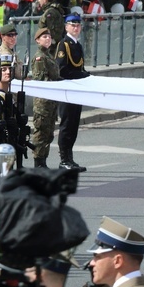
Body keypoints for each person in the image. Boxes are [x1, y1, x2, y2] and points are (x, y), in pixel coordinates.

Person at [55, 14, 90, 172]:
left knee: (74, 125)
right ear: (66, 27)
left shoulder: (77, 45)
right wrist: (82, 76)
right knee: (67, 125)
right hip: (68, 90)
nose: (76, 28)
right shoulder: (64, 45)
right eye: (72, 25)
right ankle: (64, 160)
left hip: (77, 90)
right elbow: (62, 70)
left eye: (78, 25)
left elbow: (80, 68)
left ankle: (70, 158)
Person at [31, 28, 60, 169]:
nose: (47, 39)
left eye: (49, 36)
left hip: (51, 101)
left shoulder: (48, 55)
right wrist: (58, 84)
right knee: (41, 133)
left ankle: (43, 161)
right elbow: (41, 79)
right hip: (43, 102)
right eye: (44, 37)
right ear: (37, 40)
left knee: (48, 134)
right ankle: (38, 162)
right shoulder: (40, 57)